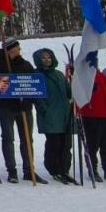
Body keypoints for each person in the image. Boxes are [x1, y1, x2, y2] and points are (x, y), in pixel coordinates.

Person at [0, 38, 45, 184]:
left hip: (24, 107)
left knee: (27, 139)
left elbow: (34, 85)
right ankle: (12, 171)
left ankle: (29, 170)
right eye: (16, 48)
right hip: (5, 107)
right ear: (9, 49)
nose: (19, 51)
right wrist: (3, 79)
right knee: (8, 138)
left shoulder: (25, 64)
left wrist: (28, 100)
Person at [75, 64, 106, 184]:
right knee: (92, 145)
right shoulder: (81, 77)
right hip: (91, 115)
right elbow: (77, 95)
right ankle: (93, 169)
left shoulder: (102, 76)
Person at [33, 48, 76, 184]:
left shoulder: (59, 74)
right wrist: (44, 109)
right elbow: (36, 96)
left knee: (66, 144)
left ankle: (64, 169)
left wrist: (73, 82)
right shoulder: (37, 75)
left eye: (49, 57)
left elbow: (69, 92)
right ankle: (54, 169)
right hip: (50, 115)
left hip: (65, 114)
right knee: (54, 144)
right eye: (44, 58)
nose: (47, 60)